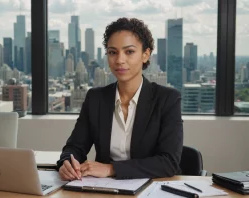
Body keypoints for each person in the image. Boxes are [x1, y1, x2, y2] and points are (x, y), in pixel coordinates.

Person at [56, 17, 183, 181]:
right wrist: (67, 162)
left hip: (151, 189)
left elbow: (169, 162)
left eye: (129, 52)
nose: (119, 60)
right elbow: (75, 147)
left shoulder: (167, 99)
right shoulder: (96, 98)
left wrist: (111, 169)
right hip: (104, 189)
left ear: (146, 54)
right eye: (112, 52)